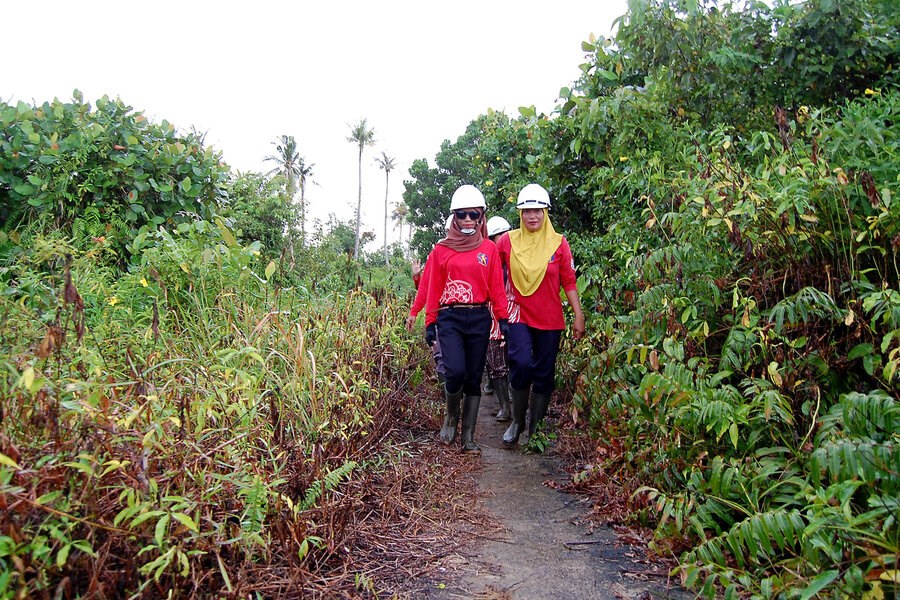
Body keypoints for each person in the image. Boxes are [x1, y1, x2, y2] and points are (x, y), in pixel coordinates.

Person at [420, 185, 509, 454]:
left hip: (479, 316)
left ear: (481, 217)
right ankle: (451, 418)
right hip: (450, 317)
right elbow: (434, 286)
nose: (468, 220)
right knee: (455, 371)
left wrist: (503, 318)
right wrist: (429, 320)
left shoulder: (489, 250)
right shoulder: (441, 250)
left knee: (473, 377)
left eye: (473, 215)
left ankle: (468, 438)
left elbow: (496, 286)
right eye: (462, 215)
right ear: (453, 218)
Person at [496, 183, 585, 448]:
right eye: (526, 212)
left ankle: (534, 429)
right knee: (521, 364)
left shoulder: (559, 244)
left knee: (545, 373)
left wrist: (578, 315)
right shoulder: (507, 241)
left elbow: (569, 281)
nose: (532, 216)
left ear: (545, 212)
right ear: (520, 215)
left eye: (537, 211)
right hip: (519, 315)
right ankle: (517, 421)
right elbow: (489, 268)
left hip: (550, 319)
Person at [406, 215, 455, 384]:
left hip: (465, 317)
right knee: (441, 357)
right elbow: (426, 288)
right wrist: (417, 276)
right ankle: (450, 401)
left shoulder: (474, 251)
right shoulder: (438, 253)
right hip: (442, 315)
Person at [484, 215, 513, 421]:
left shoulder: (515, 257)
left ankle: (515, 400)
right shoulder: (486, 259)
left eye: (504, 235)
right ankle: (505, 407)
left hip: (514, 312)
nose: (502, 239)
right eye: (498, 236)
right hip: (493, 316)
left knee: (516, 360)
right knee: (496, 363)